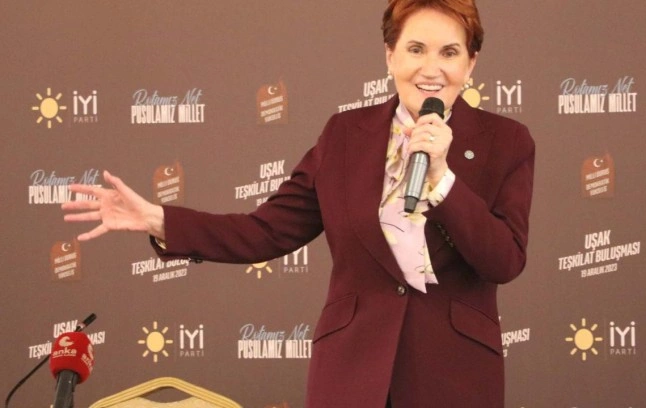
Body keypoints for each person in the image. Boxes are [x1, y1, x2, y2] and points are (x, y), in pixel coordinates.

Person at [63, 0, 535, 406]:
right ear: (390, 56)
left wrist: (442, 179)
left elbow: (505, 259)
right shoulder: (345, 135)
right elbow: (266, 231)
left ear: (471, 64)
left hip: (455, 377)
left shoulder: (507, 142)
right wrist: (158, 219)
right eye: (416, 49)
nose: (431, 68)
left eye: (449, 52)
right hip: (351, 374)